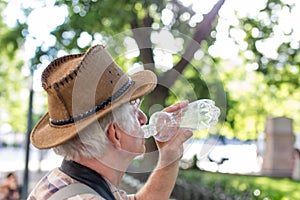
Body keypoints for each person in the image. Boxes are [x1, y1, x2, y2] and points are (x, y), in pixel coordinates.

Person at [27, 44, 193, 200]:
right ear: (115, 134)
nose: (144, 119)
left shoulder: (67, 181)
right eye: (135, 111)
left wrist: (169, 156)